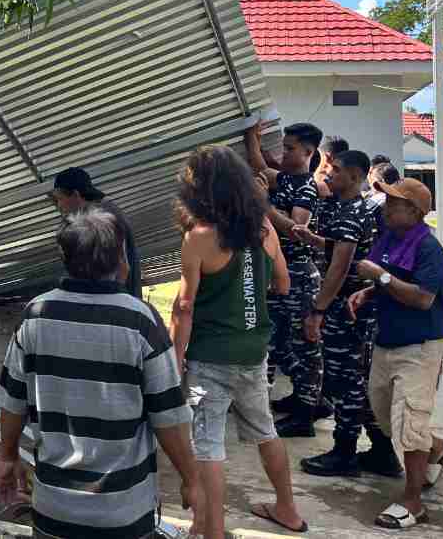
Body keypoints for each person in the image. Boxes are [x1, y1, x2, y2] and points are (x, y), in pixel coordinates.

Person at [0, 209, 203, 539]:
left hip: (54, 511)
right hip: (122, 514)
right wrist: (191, 479)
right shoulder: (141, 322)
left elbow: (12, 401)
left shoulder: (35, 316)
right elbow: (169, 417)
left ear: (65, 259)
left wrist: (7, 457)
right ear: (121, 260)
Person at [169, 145, 306, 537]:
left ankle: (210, 530)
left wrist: (175, 360)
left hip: (211, 356)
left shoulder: (199, 236)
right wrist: (249, 288)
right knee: (265, 430)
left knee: (207, 444)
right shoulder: (263, 228)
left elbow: (184, 307)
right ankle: (287, 509)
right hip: (253, 352)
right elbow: (283, 283)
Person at [346, 179, 443, 530]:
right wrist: (369, 292)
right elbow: (386, 281)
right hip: (387, 342)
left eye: (395, 203)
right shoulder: (390, 238)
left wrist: (380, 278)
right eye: (387, 202)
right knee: (386, 416)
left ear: (415, 211)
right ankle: (436, 448)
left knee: (410, 421)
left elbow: (422, 298)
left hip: (420, 346)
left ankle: (413, 502)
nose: (387, 208)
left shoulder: (429, 248)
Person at [291, 150, 398, 477]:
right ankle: (382, 452)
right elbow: (343, 248)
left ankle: (345, 452)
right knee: (358, 381)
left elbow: (339, 268)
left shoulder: (350, 212)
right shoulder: (358, 208)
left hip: (347, 312)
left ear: (354, 176)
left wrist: (318, 311)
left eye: (336, 170)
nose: (328, 174)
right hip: (358, 309)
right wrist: (316, 240)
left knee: (345, 381)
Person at [243, 122, 331, 423]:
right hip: (278, 272)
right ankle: (303, 398)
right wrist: (252, 137)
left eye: (289, 148)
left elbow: (297, 230)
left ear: (308, 152)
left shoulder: (306, 188)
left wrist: (264, 205)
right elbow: (259, 166)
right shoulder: (285, 178)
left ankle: (307, 411)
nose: (283, 153)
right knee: (277, 342)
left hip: (297, 275)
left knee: (303, 344)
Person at [50, 167, 141, 298]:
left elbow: (123, 268)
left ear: (75, 194)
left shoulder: (102, 219)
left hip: (114, 299)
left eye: (59, 199)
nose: (59, 206)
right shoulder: (104, 212)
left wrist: (115, 299)